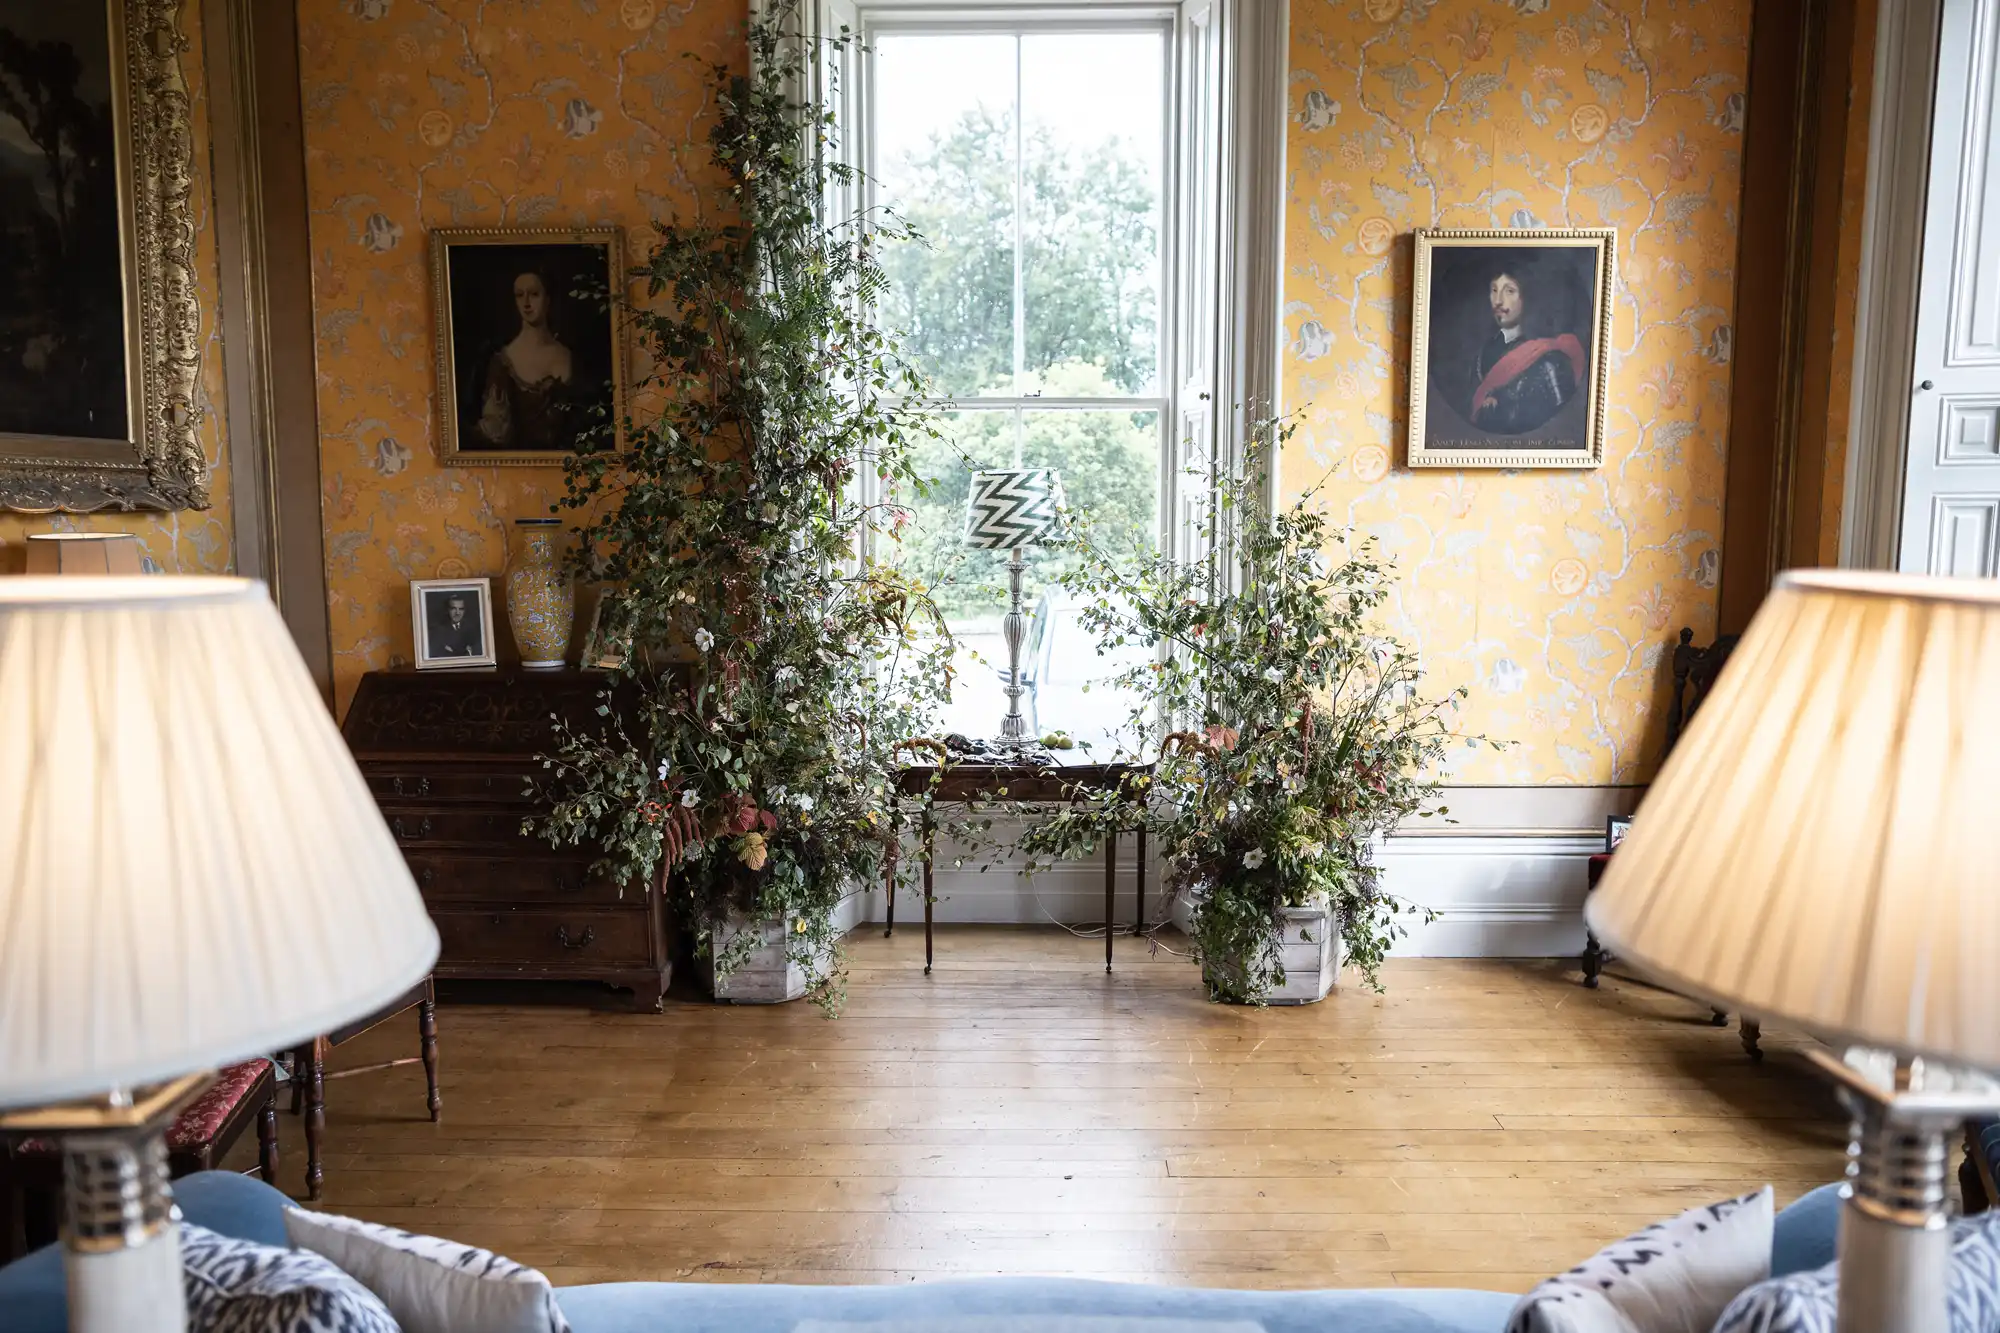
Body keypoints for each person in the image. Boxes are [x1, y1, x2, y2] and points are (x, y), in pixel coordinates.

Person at [1467, 267, 1585, 436]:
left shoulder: (1549, 361)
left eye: (1509, 291)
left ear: (1526, 297)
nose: (1498, 301)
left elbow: (1560, 429)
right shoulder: (1480, 357)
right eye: (1494, 290)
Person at [474, 270, 576, 450]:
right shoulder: (504, 362)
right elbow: (496, 432)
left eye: (534, 294)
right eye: (520, 295)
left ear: (548, 299)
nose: (526, 303)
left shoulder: (568, 355)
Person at [430, 593, 482, 658]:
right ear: (448, 610)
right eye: (453, 609)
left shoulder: (473, 629)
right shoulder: (438, 630)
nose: (457, 613)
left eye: (461, 609)